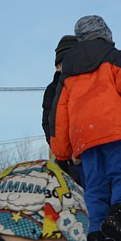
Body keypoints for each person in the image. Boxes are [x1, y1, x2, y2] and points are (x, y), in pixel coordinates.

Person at [49, 15, 121, 241]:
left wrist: (62, 150)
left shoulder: (69, 70)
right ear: (106, 33)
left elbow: (59, 112)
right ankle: (118, 217)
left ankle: (94, 238)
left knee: (94, 187)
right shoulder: (114, 56)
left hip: (84, 137)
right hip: (114, 128)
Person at [42, 34, 82, 185]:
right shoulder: (52, 90)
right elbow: (48, 123)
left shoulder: (86, 82)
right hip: (65, 155)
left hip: (88, 149)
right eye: (63, 62)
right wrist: (61, 150)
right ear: (57, 66)